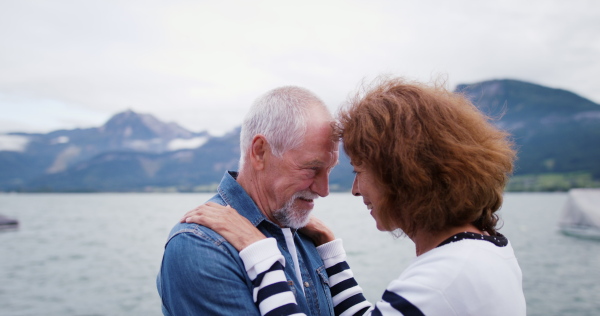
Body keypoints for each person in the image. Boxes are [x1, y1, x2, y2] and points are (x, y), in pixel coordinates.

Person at [183, 77, 527, 315]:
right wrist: (332, 255)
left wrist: (258, 252)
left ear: (403, 174)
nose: (353, 189)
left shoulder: (442, 281)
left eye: (359, 170)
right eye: (312, 169)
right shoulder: (486, 252)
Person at [156, 86, 341, 315]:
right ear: (260, 152)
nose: (324, 191)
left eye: (330, 170)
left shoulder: (309, 236)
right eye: (311, 169)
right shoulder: (200, 246)